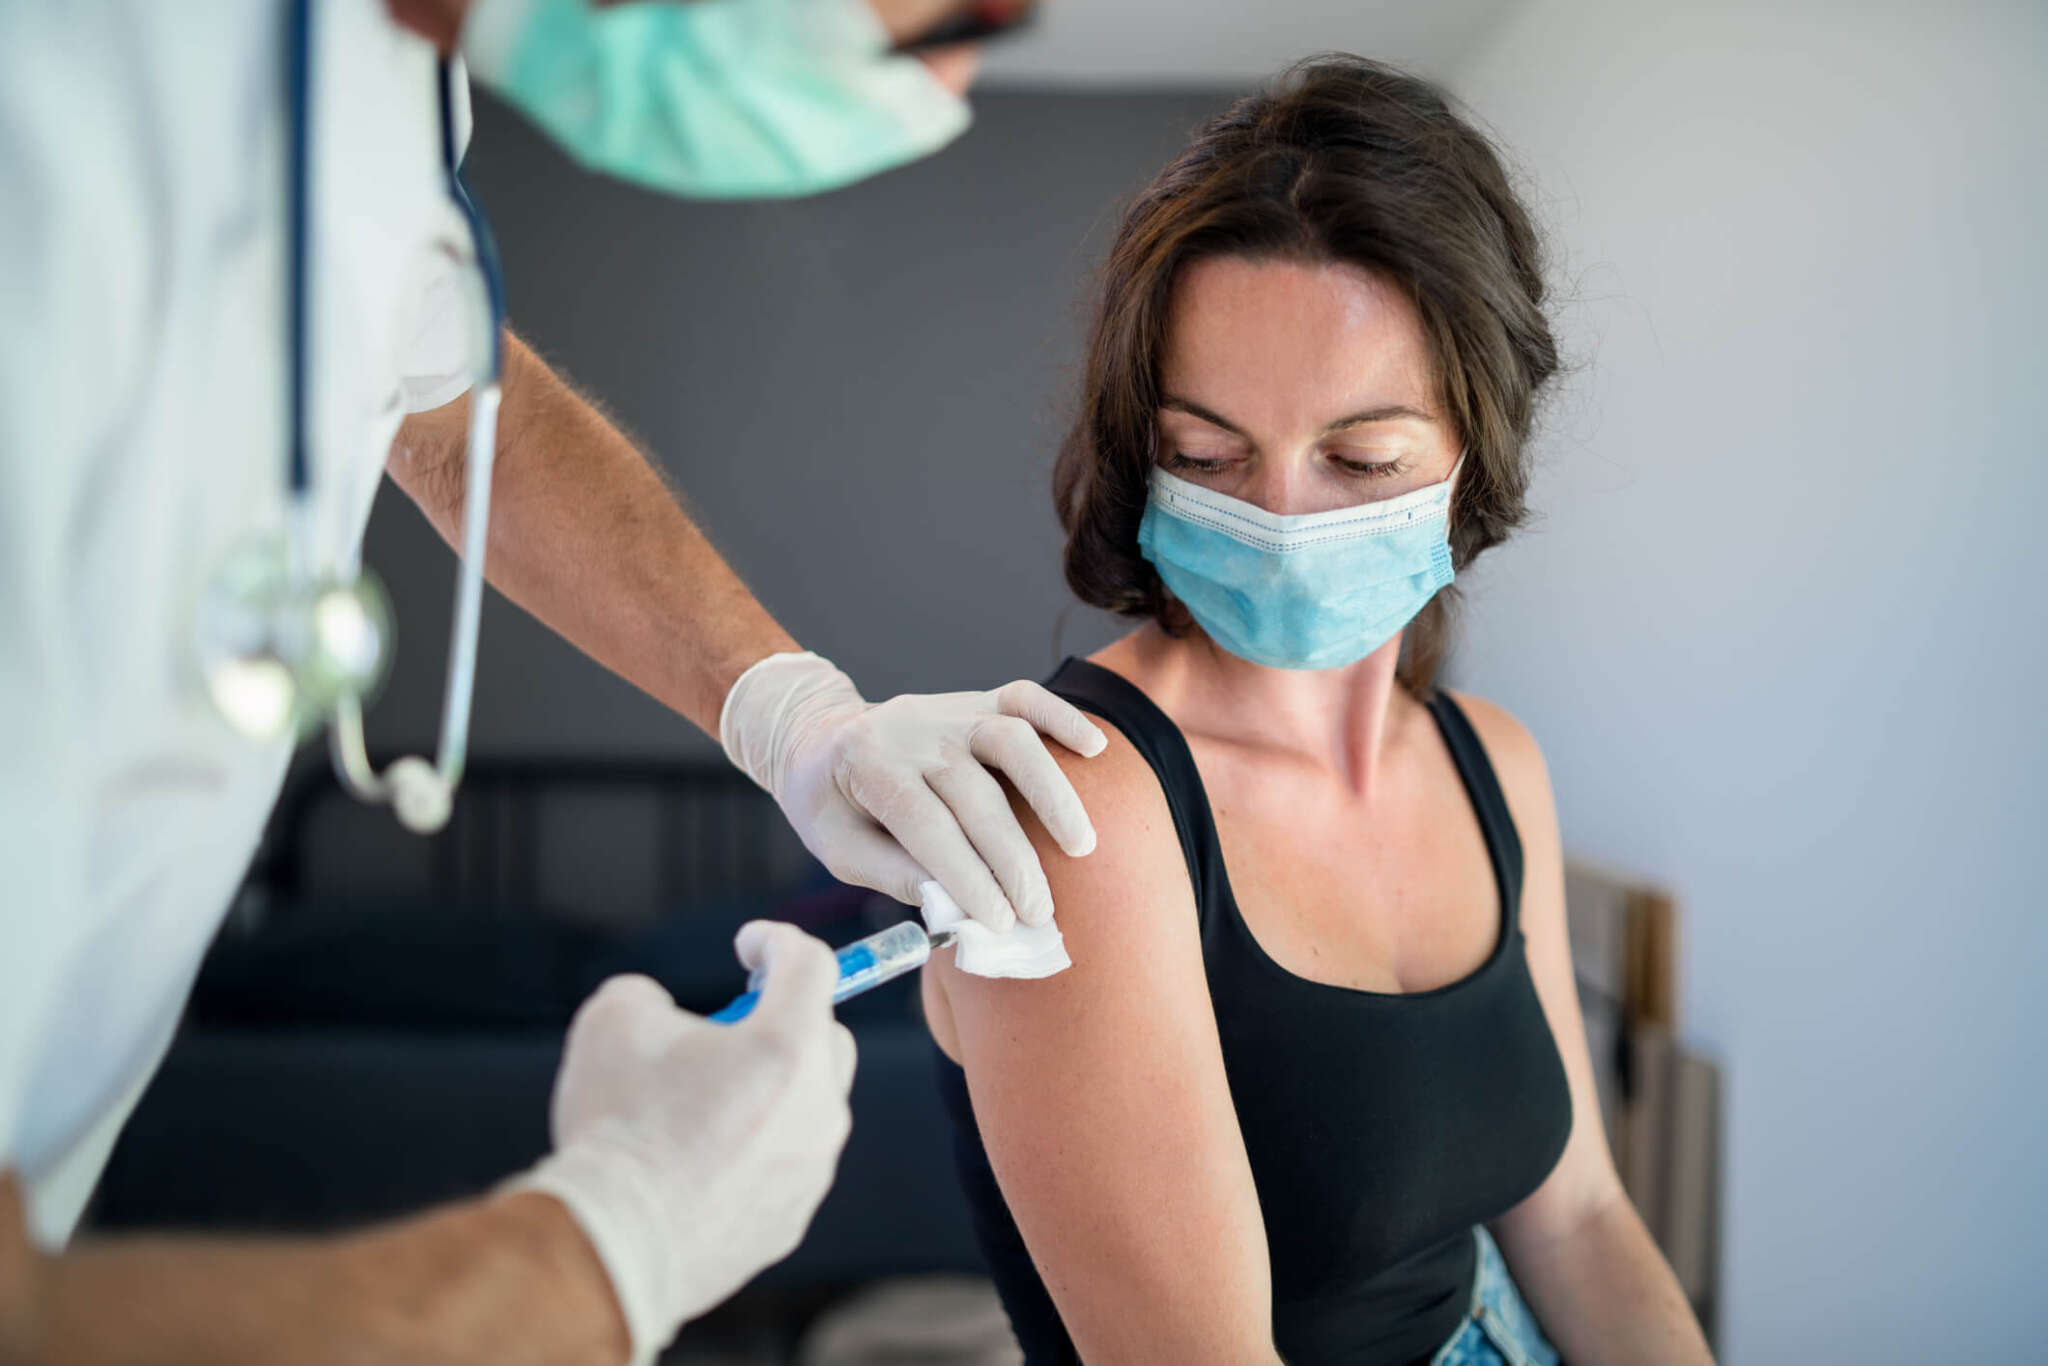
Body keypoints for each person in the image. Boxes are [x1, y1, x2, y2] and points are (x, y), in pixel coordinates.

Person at [0, 1, 1105, 1361]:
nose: (946, 81)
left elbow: (453, 406)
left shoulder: (385, 82)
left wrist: (793, 713)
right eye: (952, 13)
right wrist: (608, 1247)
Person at [924, 56, 1718, 1366]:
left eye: (1362, 459)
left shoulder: (1490, 764)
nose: (1282, 518)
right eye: (1208, 455)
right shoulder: (1083, 812)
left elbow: (1576, 1218)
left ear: (1475, 455)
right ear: (1141, 449)